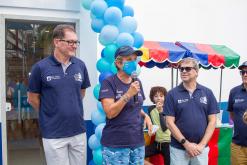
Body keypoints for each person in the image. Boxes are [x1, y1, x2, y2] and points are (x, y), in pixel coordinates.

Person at [27, 24, 91, 165]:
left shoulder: (80, 65)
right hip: (53, 133)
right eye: (70, 42)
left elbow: (81, 92)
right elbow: (32, 99)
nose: (74, 45)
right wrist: (51, 112)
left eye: (76, 42)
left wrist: (68, 106)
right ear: (57, 42)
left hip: (78, 131)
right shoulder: (40, 68)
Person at [99, 46, 153, 165]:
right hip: (116, 144)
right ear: (118, 63)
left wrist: (146, 116)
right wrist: (128, 94)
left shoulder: (137, 81)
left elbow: (135, 107)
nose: (133, 63)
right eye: (129, 59)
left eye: (135, 59)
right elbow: (110, 113)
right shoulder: (109, 83)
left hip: (137, 142)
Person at [164, 58, 219, 165]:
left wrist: (201, 145)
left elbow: (212, 121)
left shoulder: (207, 92)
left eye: (188, 69)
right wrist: (186, 144)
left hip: (201, 149)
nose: (184, 71)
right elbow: (169, 122)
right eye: (181, 69)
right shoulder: (172, 94)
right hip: (179, 149)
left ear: (196, 72)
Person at [227, 61, 247, 165]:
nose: (245, 74)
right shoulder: (234, 91)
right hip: (238, 146)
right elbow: (232, 114)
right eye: (242, 72)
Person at [145, 86, 171, 165]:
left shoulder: (168, 108)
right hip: (156, 143)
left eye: (161, 96)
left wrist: (160, 112)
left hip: (168, 144)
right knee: (137, 155)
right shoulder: (151, 109)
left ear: (165, 97)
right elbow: (152, 124)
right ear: (152, 98)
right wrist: (150, 129)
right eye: (156, 96)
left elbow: (164, 128)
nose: (159, 98)